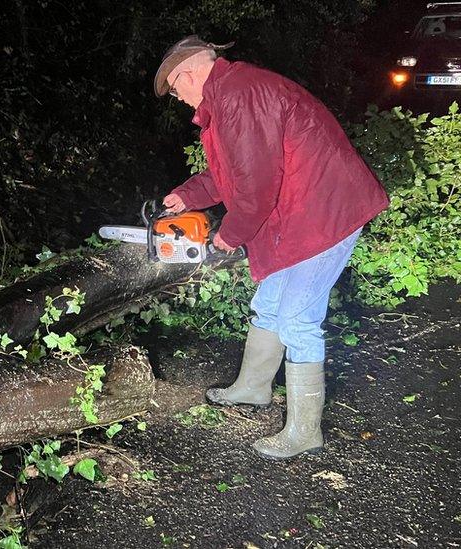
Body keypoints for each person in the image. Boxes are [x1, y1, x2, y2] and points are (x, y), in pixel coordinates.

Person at [154, 36, 389, 460]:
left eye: (175, 89)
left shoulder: (241, 95)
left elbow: (256, 186)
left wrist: (230, 233)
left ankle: (304, 431)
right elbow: (233, 171)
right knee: (271, 304)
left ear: (187, 73)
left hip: (322, 213)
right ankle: (253, 387)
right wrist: (190, 195)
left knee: (297, 318)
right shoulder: (232, 94)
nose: (179, 99)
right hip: (299, 212)